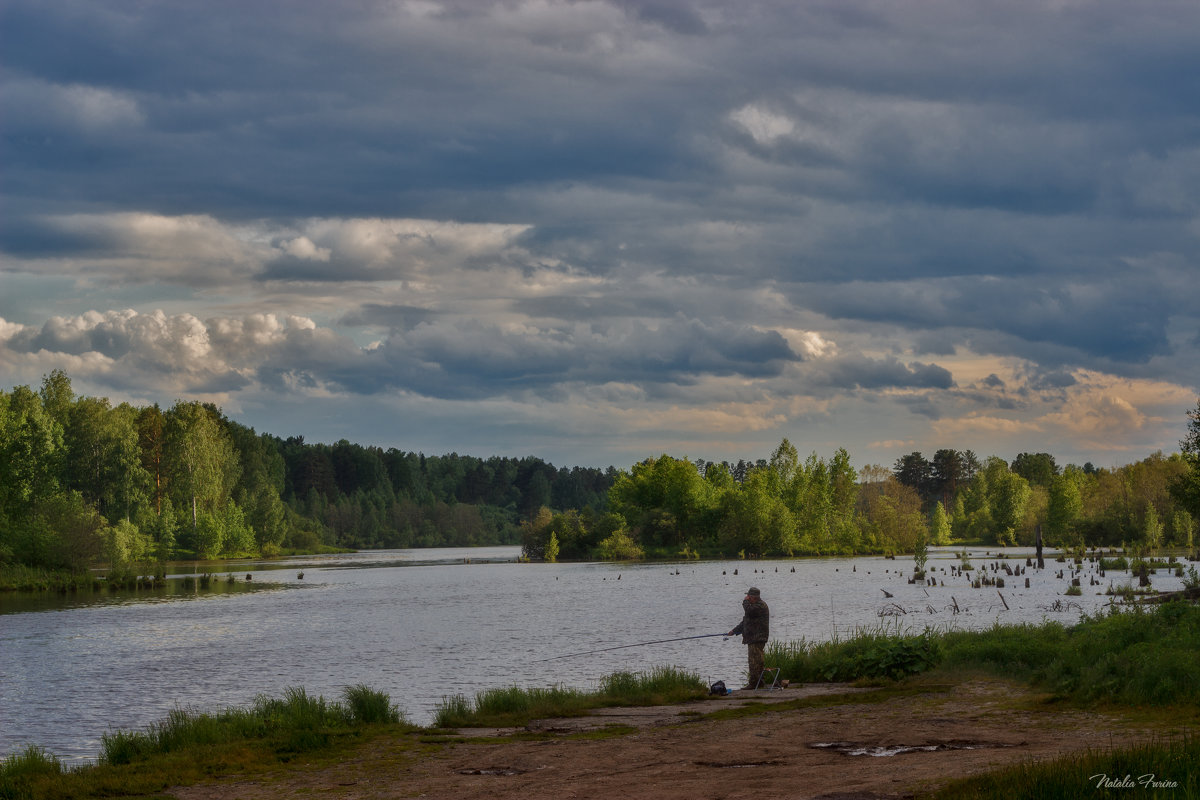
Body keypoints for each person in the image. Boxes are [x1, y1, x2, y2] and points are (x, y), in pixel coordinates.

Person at [727, 587, 769, 689]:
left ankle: (755, 684)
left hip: (757, 638)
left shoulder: (760, 606)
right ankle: (758, 683)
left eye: (748, 596)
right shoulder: (754, 607)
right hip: (752, 638)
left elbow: (749, 611)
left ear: (753, 597)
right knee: (755, 660)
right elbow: (746, 621)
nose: (747, 598)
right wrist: (734, 631)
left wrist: (745, 602)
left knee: (755, 661)